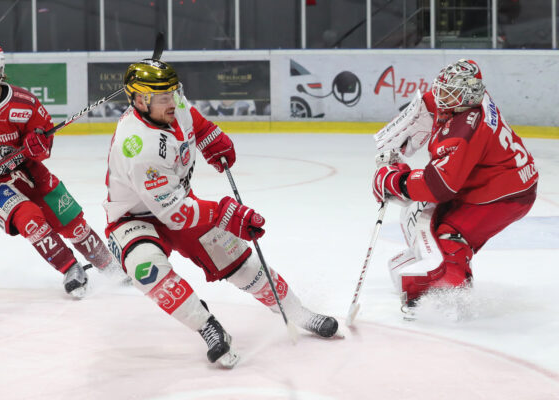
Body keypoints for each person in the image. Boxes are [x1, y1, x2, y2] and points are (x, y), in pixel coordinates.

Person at [104, 59, 339, 368]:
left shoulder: (171, 103)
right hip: (134, 219)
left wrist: (210, 136)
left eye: (173, 92)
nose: (173, 101)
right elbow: (175, 214)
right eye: (163, 97)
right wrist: (226, 214)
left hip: (179, 202)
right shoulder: (138, 147)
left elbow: (194, 121)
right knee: (146, 269)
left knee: (239, 262)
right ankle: (208, 328)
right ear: (139, 100)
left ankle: (297, 312)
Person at [0, 43, 125, 298]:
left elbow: (44, 147)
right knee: (30, 218)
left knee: (72, 222)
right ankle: (71, 269)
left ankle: (110, 266)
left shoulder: (25, 103)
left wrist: (37, 145)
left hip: (31, 173)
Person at [372, 59, 538, 312]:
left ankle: (451, 295)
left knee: (450, 232)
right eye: (441, 90)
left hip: (506, 195)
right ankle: (439, 279)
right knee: (433, 218)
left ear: (467, 94)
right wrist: (423, 108)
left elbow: (439, 186)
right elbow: (454, 84)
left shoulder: (464, 131)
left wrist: (395, 181)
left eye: (448, 93)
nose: (441, 97)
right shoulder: (474, 96)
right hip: (496, 179)